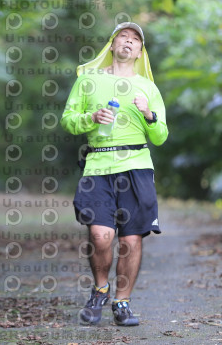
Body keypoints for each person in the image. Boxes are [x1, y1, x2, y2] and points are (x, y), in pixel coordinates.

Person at [60, 22, 168, 326]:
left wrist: (148, 114)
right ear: (112, 44)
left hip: (137, 167)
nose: (129, 41)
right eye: (123, 36)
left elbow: (160, 136)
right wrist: (91, 118)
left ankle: (122, 302)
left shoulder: (148, 88)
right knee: (100, 235)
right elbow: (68, 120)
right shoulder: (88, 81)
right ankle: (100, 289)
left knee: (131, 240)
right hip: (98, 165)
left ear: (140, 52)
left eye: (135, 39)